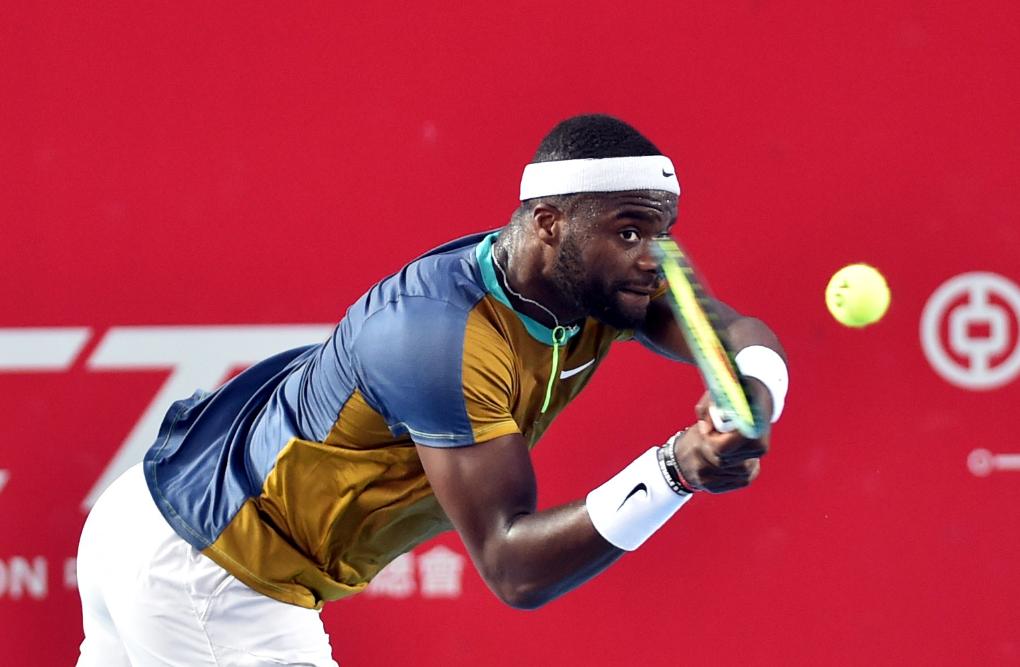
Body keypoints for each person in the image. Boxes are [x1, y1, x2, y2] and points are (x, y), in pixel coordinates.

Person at [76, 114, 788, 666]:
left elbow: (731, 330)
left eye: (662, 232)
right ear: (549, 224)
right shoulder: (441, 336)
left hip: (156, 515)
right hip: (214, 569)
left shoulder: (598, 282)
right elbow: (513, 566)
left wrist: (752, 393)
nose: (654, 258)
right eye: (629, 231)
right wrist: (673, 470)